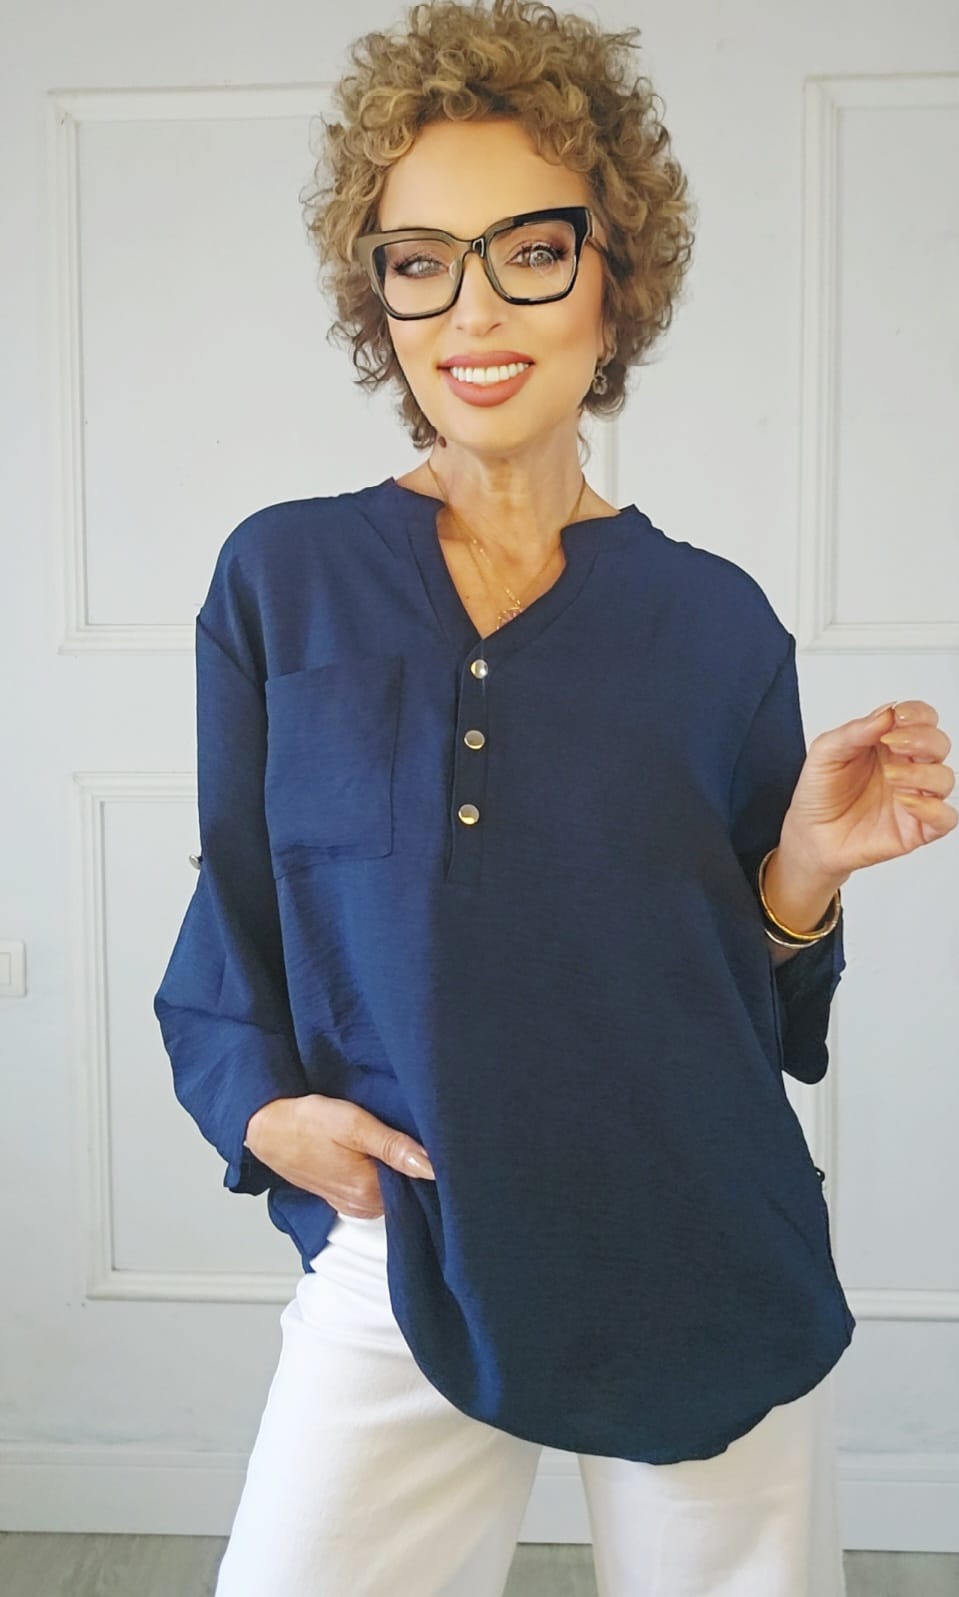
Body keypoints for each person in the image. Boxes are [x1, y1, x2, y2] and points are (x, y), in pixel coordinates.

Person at [152, 2, 957, 1593]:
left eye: (531, 249)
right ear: (378, 296)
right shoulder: (281, 581)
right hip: (411, 1235)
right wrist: (256, 1109)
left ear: (614, 277)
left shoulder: (717, 624)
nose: (474, 308)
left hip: (693, 1240)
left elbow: (758, 1004)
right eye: (421, 259)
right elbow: (235, 901)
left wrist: (802, 870)